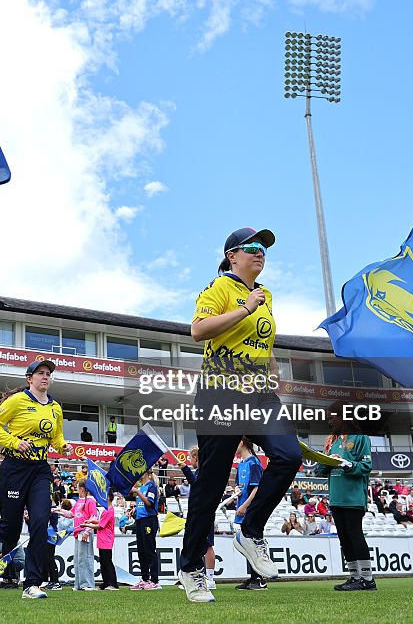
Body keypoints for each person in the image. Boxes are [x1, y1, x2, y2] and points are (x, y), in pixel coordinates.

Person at [178, 226, 300, 605]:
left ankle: (250, 528)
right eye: (252, 247)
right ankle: (190, 567)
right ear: (232, 255)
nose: (260, 252)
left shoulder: (267, 296)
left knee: (290, 456)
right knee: (211, 486)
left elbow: (261, 340)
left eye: (264, 248)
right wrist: (244, 308)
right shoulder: (219, 289)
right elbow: (198, 331)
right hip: (220, 394)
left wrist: (274, 367)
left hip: (259, 396)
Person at [0, 359, 68, 600]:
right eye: (40, 373)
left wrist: (63, 447)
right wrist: (14, 442)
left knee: (41, 522)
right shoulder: (18, 401)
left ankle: (32, 583)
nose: (45, 377)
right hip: (14, 468)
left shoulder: (55, 408)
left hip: (40, 469)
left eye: (48, 374)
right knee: (11, 530)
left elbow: (57, 437)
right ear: (29, 379)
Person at [321, 401, 376, 592]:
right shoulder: (331, 441)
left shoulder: (360, 438)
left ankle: (367, 579)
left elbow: (366, 467)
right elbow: (321, 471)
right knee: (344, 537)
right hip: (336, 497)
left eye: (332, 416)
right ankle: (355, 577)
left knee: (354, 534)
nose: (329, 421)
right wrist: (322, 460)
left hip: (353, 497)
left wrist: (345, 463)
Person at [178, 446, 217, 590]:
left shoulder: (205, 471)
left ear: (195, 458)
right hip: (199, 510)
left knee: (207, 545)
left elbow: (197, 484)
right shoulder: (202, 471)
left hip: (205, 511)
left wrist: (185, 470)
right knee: (199, 544)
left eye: (190, 458)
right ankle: (197, 575)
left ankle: (210, 578)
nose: (189, 461)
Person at [233, 437, 268, 590]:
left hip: (251, 509)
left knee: (254, 542)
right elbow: (240, 486)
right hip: (242, 508)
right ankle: (253, 577)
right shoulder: (241, 465)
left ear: (242, 443)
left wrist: (245, 506)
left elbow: (257, 488)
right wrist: (236, 492)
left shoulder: (254, 462)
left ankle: (260, 578)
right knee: (248, 544)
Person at [131, 469, 162, 590]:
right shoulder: (143, 486)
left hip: (149, 520)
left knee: (149, 550)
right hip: (140, 520)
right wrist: (135, 510)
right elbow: (142, 504)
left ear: (145, 474)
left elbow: (149, 503)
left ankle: (154, 580)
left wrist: (137, 492)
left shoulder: (151, 486)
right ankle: (144, 579)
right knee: (141, 550)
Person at [86, 498, 118, 590]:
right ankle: (106, 582)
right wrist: (92, 522)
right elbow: (102, 522)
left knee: (107, 561)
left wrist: (88, 525)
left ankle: (112, 583)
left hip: (106, 539)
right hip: (103, 539)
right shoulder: (107, 510)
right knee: (103, 561)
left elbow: (100, 526)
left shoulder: (108, 510)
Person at [72, 482, 97, 591]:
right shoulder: (78, 502)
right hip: (78, 532)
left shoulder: (91, 501)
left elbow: (94, 516)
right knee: (78, 559)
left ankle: (87, 584)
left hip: (84, 531)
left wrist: (87, 531)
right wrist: (58, 511)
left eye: (77, 487)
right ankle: (78, 584)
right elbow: (71, 514)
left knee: (86, 557)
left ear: (82, 489)